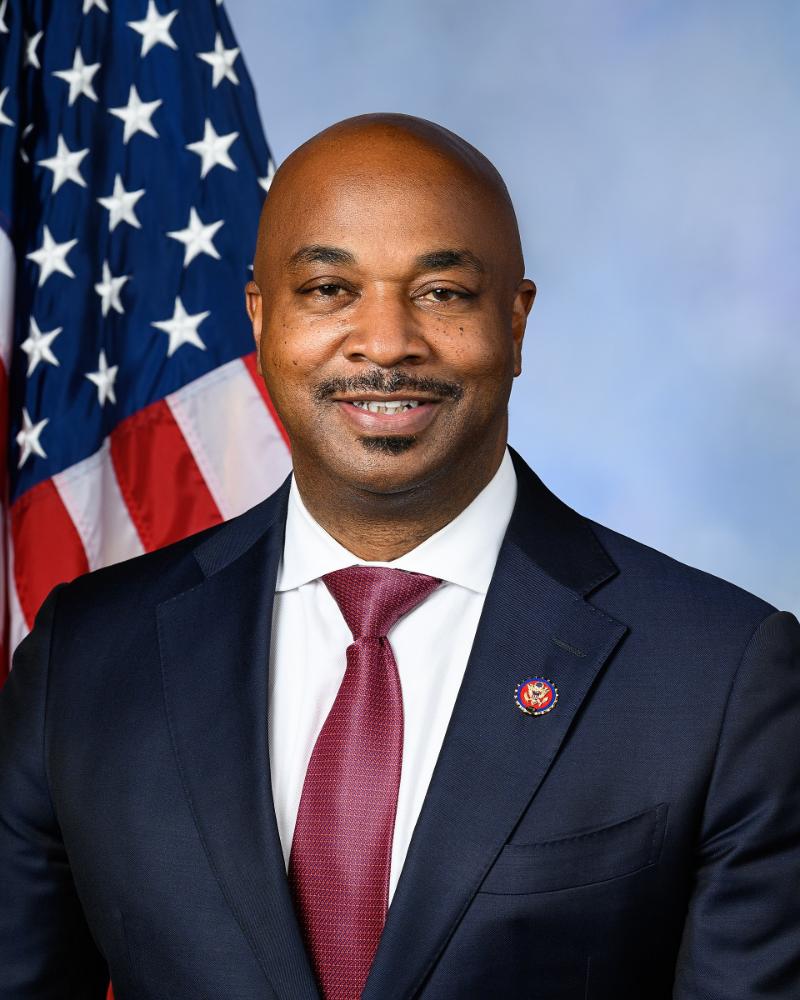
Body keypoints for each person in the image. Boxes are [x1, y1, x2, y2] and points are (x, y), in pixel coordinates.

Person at [1, 113, 798, 1000]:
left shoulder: (720, 677)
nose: (385, 343)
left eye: (443, 294)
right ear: (261, 317)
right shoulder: (82, 659)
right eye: (329, 289)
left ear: (517, 319)